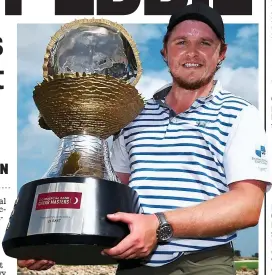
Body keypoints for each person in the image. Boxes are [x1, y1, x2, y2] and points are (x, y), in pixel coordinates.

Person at [18, 2, 270, 274]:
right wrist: (55, 235)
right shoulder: (132, 114)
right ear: (165, 51)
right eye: (181, 42)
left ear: (221, 53)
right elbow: (112, 194)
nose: (192, 52)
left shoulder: (241, 114)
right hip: (134, 264)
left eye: (206, 43)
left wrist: (159, 225)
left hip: (201, 263)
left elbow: (247, 205)